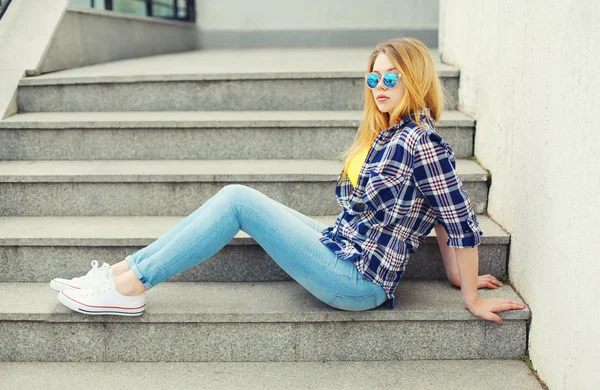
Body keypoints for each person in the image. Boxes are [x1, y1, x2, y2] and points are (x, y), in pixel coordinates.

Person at [51, 37, 525, 323]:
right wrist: (451, 272)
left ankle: (130, 287)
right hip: (339, 244)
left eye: (390, 80)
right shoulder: (386, 135)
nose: (379, 90)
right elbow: (440, 220)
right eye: (373, 80)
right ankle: (118, 275)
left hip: (358, 281)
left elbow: (457, 221)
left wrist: (467, 293)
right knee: (238, 196)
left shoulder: (423, 143)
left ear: (415, 80)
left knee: (238, 200)